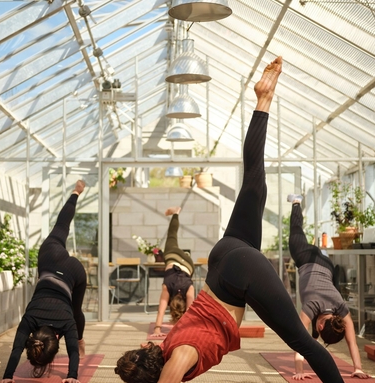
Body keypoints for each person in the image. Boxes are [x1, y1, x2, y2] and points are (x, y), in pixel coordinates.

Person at [115, 56, 345, 383]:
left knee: (303, 342)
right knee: (254, 180)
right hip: (223, 259)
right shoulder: (164, 346)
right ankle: (263, 100)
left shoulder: (179, 354)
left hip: (239, 274)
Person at [0, 180, 87, 383]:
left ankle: (81, 339)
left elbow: (73, 352)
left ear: (56, 342)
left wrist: (72, 376)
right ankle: (76, 192)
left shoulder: (66, 323)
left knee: (75, 312)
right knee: (61, 226)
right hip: (50, 257)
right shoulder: (30, 319)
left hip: (74, 270)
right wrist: (6, 376)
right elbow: (16, 348)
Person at [287, 194, 370, 380]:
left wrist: (358, 368)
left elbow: (351, 343)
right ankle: (296, 202)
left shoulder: (341, 309)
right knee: (295, 231)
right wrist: (299, 370)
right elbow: (299, 340)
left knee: (334, 291)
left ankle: (322, 249)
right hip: (307, 257)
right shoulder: (311, 308)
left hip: (326, 265)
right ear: (323, 324)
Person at [151, 206, 195, 337]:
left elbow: (189, 311)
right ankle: (175, 214)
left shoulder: (189, 288)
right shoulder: (167, 287)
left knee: (172, 235)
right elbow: (161, 311)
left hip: (188, 263)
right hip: (173, 257)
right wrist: (157, 329)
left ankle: (176, 213)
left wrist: (157, 331)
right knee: (172, 235)